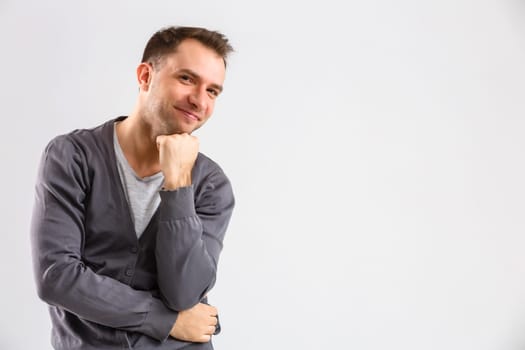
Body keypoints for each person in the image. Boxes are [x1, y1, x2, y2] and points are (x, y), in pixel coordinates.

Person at [30, 26, 235, 350]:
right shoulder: (73, 157)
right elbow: (57, 277)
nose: (199, 100)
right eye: (186, 79)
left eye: (212, 91)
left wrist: (178, 183)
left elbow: (184, 293)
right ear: (144, 76)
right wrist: (167, 320)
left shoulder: (211, 185)